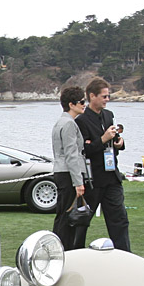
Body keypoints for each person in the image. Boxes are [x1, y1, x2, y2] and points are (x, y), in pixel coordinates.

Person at [75, 77, 130, 252]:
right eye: (104, 96)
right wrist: (102, 139)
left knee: (120, 219)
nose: (107, 100)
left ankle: (125, 254)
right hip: (93, 179)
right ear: (92, 96)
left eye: (108, 96)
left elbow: (111, 141)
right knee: (83, 220)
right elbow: (84, 150)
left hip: (112, 175)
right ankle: (76, 252)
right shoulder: (81, 120)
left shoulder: (108, 115)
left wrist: (118, 143)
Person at [51, 86, 89, 249]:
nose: (84, 104)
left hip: (63, 171)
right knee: (67, 216)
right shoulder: (68, 124)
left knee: (64, 215)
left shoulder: (62, 122)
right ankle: (63, 249)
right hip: (67, 173)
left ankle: (60, 248)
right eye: (81, 102)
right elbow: (71, 154)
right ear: (71, 104)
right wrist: (78, 182)